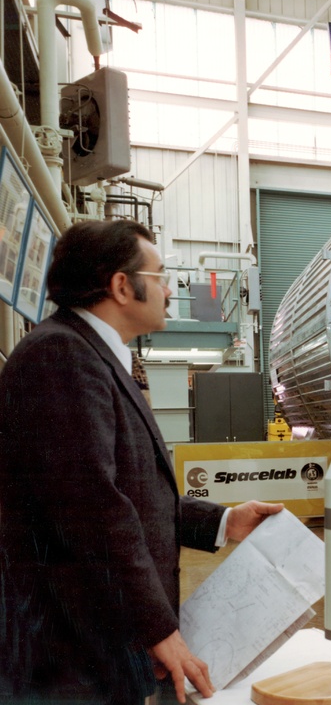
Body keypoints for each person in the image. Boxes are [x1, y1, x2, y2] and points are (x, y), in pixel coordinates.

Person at [0, 220, 283, 704]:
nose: (170, 290)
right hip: (66, 657)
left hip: (94, 645)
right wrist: (157, 628)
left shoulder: (90, 355)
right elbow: (91, 511)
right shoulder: (62, 356)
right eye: (160, 275)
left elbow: (130, 495)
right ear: (121, 285)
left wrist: (224, 522)